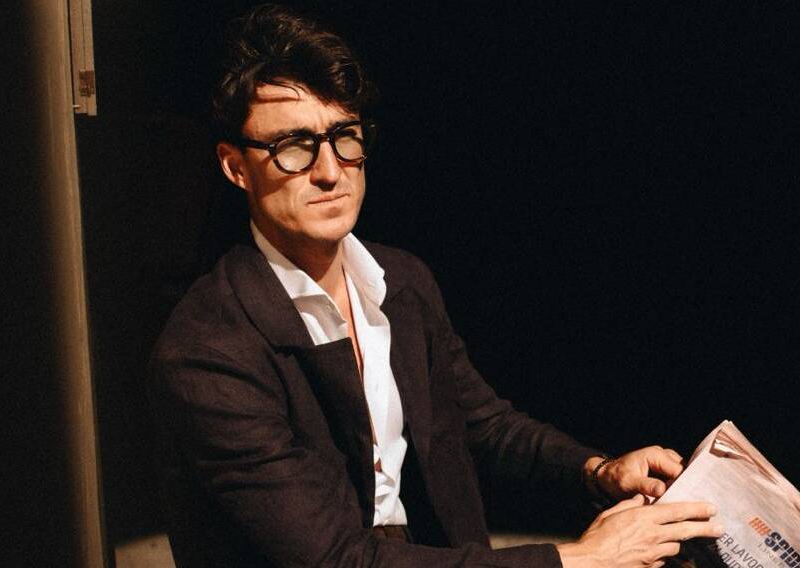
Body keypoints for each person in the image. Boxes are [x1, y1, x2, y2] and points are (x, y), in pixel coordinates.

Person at [149, 4, 723, 567]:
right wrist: (578, 560)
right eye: (293, 148)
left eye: (344, 137)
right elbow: (335, 557)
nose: (329, 170)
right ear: (236, 166)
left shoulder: (400, 280)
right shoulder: (208, 349)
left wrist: (598, 471)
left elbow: (484, 425)